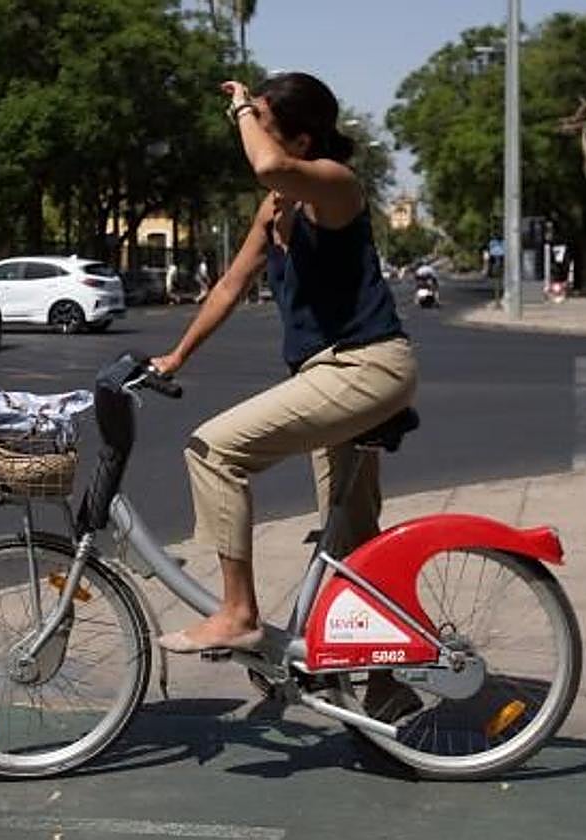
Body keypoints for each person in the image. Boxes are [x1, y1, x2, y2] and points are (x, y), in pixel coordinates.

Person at [151, 72, 417, 660]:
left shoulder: (336, 185)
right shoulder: (276, 208)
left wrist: (242, 108)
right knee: (351, 543)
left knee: (213, 450)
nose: (252, 133)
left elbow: (268, 165)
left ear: (301, 142)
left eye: (265, 125)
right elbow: (229, 286)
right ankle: (385, 688)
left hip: (364, 366)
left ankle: (238, 613)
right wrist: (175, 357)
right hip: (330, 373)